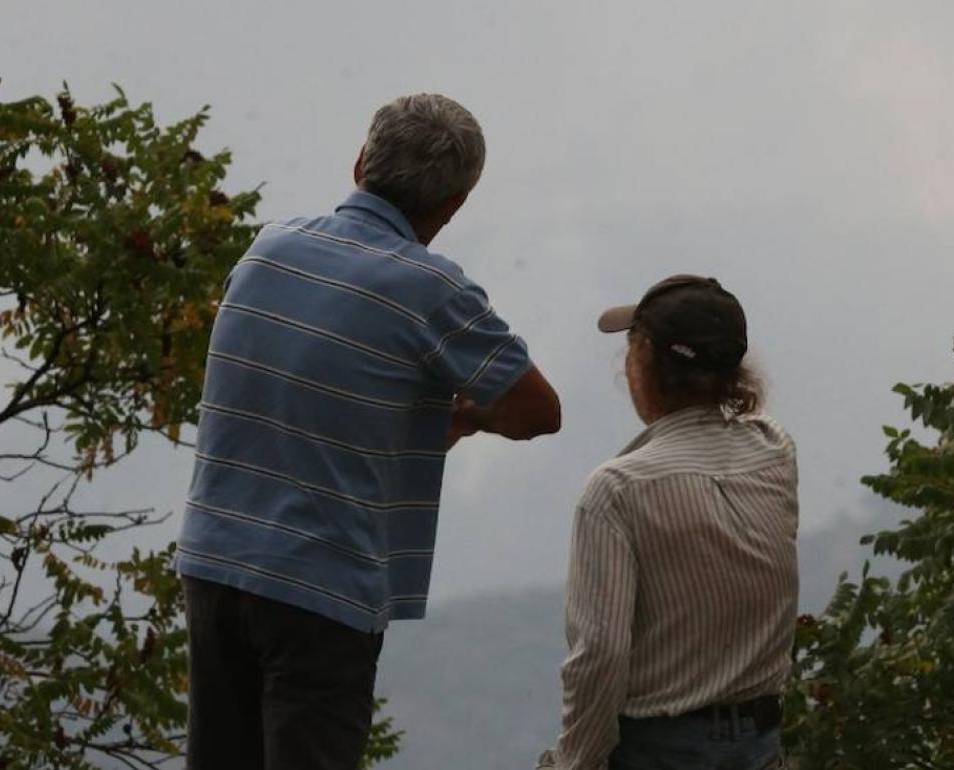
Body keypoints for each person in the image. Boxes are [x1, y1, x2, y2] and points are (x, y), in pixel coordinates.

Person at [174, 93, 561, 770]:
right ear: (456, 203)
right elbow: (538, 411)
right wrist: (467, 416)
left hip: (213, 566)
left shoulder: (268, 249)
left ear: (359, 164)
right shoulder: (430, 288)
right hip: (319, 590)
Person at [539, 275, 798, 770]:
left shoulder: (617, 490)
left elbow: (601, 656)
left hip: (659, 750)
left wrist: (573, 762)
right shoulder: (775, 454)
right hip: (760, 745)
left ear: (643, 367)